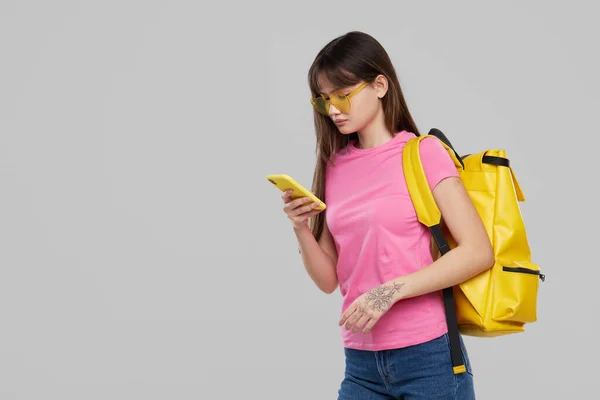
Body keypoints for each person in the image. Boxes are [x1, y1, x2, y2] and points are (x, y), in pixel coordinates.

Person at [281, 31, 494, 399]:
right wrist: (301, 229)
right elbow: (329, 280)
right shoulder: (333, 167)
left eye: (343, 95)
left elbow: (478, 252)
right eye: (324, 100)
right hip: (361, 364)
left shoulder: (423, 153)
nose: (333, 110)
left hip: (430, 360)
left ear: (380, 85)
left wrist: (390, 292)